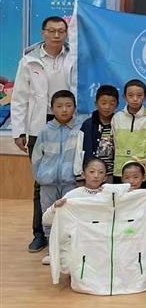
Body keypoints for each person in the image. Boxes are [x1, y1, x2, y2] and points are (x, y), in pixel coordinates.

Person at [11, 16, 76, 253]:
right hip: (39, 127)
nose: (56, 35)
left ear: (66, 33)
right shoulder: (29, 61)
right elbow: (19, 98)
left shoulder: (74, 58)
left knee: (71, 179)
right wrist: (19, 130)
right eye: (52, 31)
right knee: (42, 181)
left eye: (61, 31)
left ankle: (68, 233)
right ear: (43, 33)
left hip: (70, 124)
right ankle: (40, 233)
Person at [30, 90, 85, 264]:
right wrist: (40, 177)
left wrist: (78, 176)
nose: (64, 110)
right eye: (59, 106)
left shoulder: (80, 128)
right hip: (48, 183)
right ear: (52, 108)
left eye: (68, 106)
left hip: (71, 182)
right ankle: (51, 248)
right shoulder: (45, 131)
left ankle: (68, 249)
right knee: (49, 214)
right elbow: (36, 158)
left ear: (74, 108)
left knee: (69, 215)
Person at [113, 79, 146, 181]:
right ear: (124, 97)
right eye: (130, 95)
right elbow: (115, 143)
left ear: (145, 97)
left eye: (139, 95)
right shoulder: (117, 117)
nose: (135, 99)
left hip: (142, 169)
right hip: (120, 168)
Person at [81, 84, 119, 182]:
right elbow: (82, 150)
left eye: (112, 104)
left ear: (117, 105)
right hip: (93, 174)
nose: (107, 107)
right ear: (96, 103)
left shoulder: (119, 124)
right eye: (103, 103)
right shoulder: (88, 125)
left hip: (113, 174)